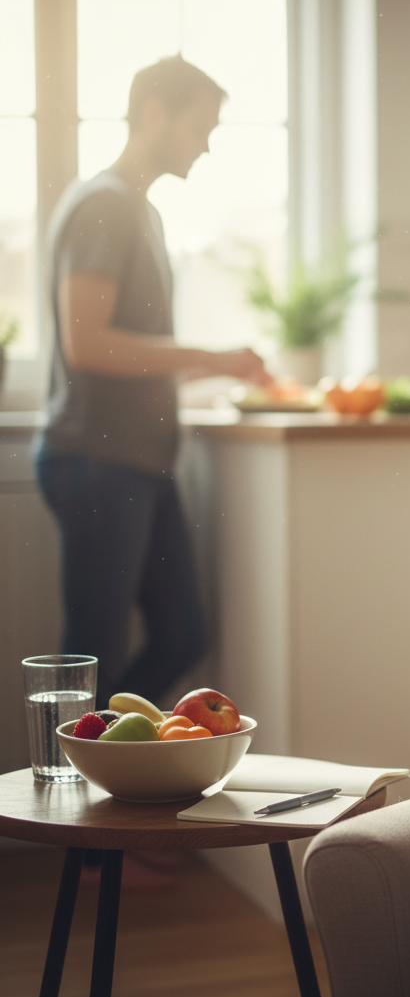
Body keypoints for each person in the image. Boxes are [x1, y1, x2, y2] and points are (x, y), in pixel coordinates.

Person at [35, 55, 271, 720]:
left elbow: (128, 346)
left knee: (182, 636)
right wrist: (210, 354)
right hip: (97, 463)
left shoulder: (141, 212)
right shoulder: (103, 205)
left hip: (137, 463)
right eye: (201, 127)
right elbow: (87, 341)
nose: (206, 145)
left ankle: (110, 757)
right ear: (152, 112)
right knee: (93, 652)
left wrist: (209, 372)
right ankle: (66, 806)